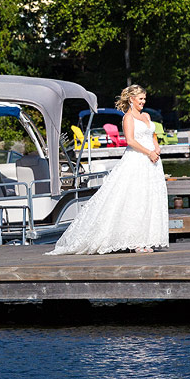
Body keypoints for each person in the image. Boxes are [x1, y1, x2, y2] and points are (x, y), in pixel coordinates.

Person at [48, 85, 169, 255]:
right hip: (137, 159)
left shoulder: (146, 116)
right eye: (140, 99)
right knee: (135, 198)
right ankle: (135, 241)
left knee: (149, 197)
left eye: (144, 99)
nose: (143, 102)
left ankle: (146, 238)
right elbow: (130, 141)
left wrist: (156, 148)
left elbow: (153, 134)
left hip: (153, 161)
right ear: (131, 99)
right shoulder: (128, 118)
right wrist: (148, 152)